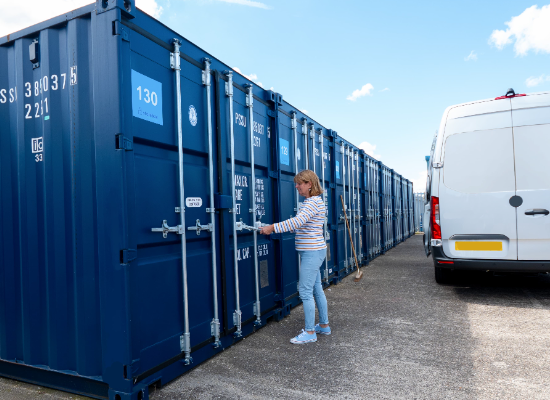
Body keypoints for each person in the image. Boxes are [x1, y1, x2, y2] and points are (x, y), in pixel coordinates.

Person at [259, 170, 330, 344]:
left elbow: (297, 222)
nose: (296, 186)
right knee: (316, 289)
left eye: (300, 183)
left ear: (309, 184)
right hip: (315, 250)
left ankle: (310, 332)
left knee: (305, 291)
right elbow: (304, 225)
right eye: (297, 183)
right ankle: (324, 325)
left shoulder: (311, 203)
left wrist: (272, 227)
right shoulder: (314, 202)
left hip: (312, 253)